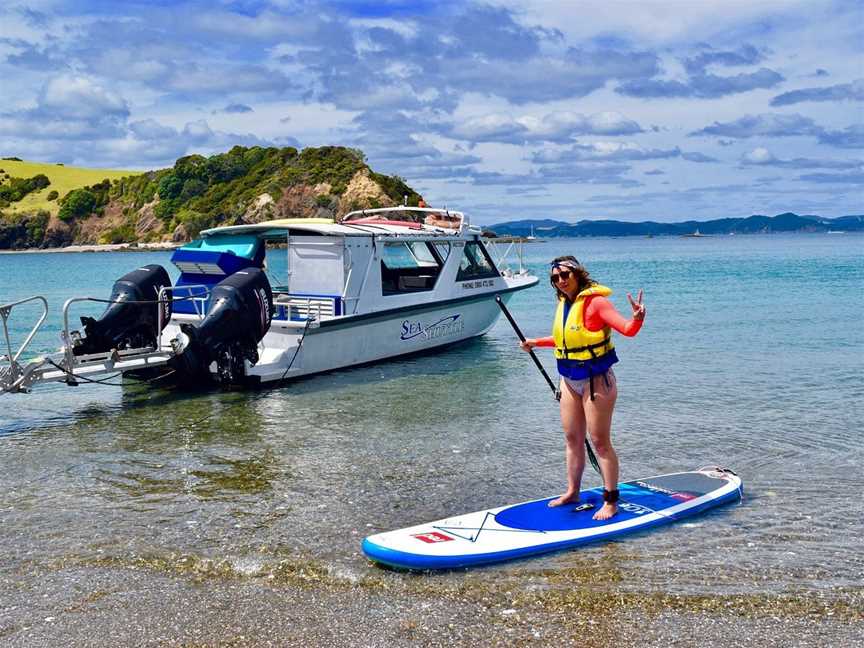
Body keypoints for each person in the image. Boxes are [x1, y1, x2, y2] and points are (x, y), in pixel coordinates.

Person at [520, 256, 645, 520]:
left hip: (596, 380)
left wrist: (637, 318)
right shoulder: (564, 303)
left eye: (564, 275)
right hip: (569, 380)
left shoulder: (596, 303)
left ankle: (610, 501)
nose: (560, 281)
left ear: (577, 274)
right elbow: (566, 339)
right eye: (555, 278)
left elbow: (627, 329)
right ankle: (572, 491)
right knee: (572, 439)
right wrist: (535, 342)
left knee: (599, 442)